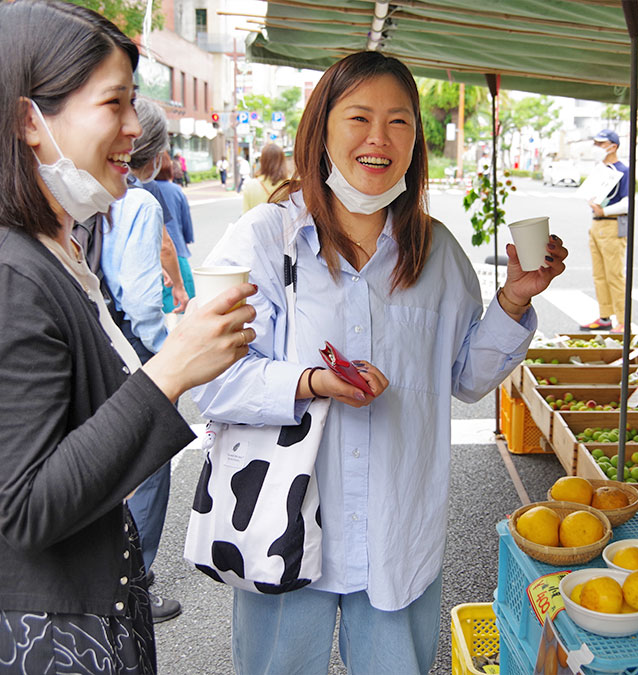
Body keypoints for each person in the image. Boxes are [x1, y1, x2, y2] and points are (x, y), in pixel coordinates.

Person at [191, 51, 566, 674]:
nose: (378, 138)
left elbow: (467, 379)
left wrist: (513, 300)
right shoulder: (265, 239)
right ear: (321, 129)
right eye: (358, 117)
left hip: (399, 534)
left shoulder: (436, 252)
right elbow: (214, 382)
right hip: (284, 527)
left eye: (399, 122)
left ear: (416, 140)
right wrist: (312, 382)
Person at [0, 2, 256, 672]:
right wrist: (173, 369)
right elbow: (25, 505)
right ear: (29, 121)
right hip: (33, 637)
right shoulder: (1, 275)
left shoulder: (51, 248)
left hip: (64, 610)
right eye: (115, 103)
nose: (135, 129)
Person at [102, 99, 186, 623]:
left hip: (98, 344)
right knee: (149, 467)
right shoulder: (139, 203)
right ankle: (135, 583)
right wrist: (163, 348)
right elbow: (137, 296)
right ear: (151, 155)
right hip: (133, 349)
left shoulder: (86, 200)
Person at [580, 128, 629, 333]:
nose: (597, 148)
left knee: (614, 275)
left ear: (613, 146)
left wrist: (604, 209)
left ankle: (623, 321)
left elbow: (628, 202)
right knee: (599, 274)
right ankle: (604, 316)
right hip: (596, 223)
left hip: (612, 222)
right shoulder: (599, 169)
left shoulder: (623, 171)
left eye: (601, 144)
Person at [155, 152, 195, 301]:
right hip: (175, 248)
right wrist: (187, 237)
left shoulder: (140, 188)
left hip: (151, 256)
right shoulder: (175, 190)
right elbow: (186, 220)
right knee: (180, 301)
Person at [241, 142, 288, 213]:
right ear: (282, 162)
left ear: (262, 161)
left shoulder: (251, 186)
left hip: (257, 223)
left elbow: (245, 215)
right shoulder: (289, 186)